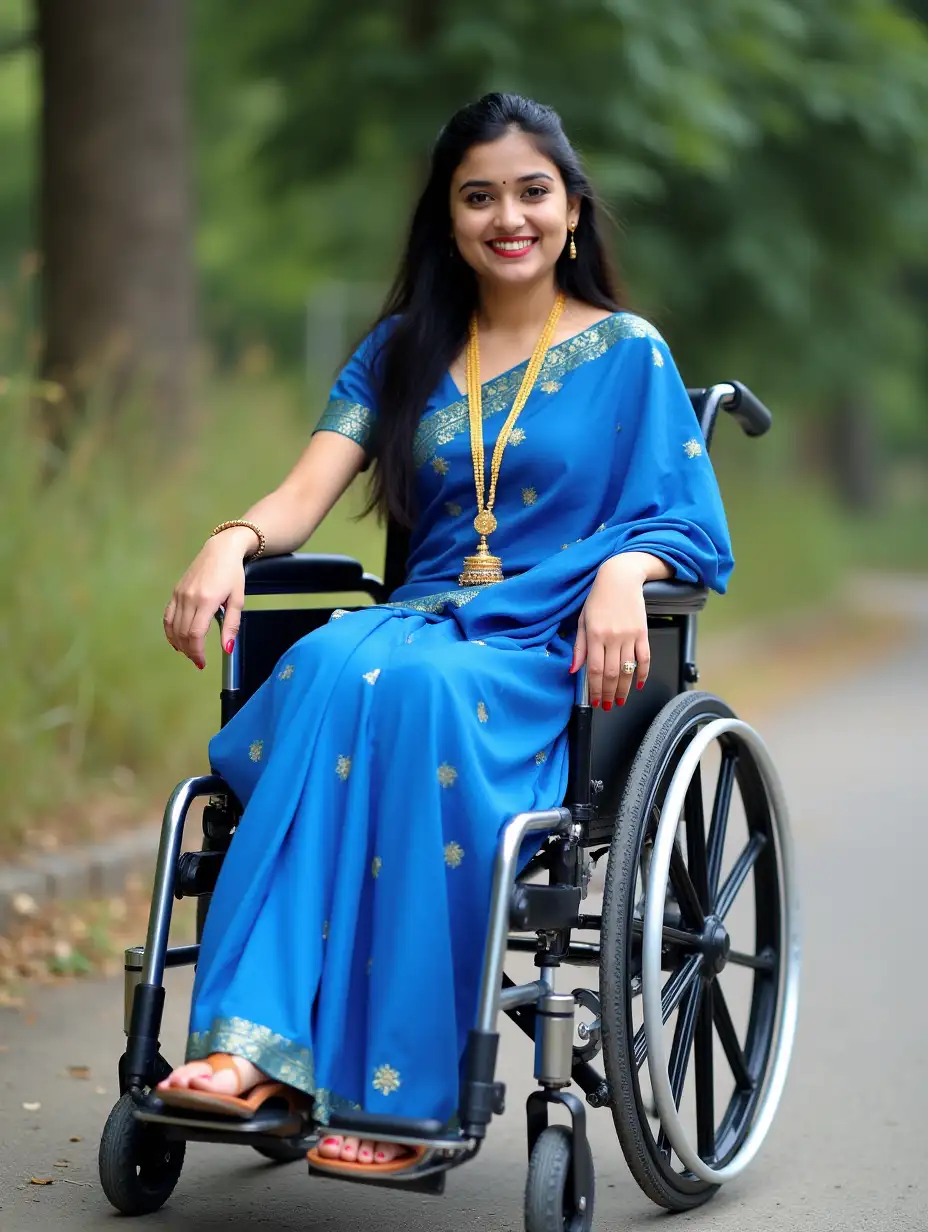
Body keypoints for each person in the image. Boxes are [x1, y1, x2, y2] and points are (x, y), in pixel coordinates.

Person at [157, 92, 733, 1175]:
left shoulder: (628, 352)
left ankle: (401, 1095)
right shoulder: (400, 351)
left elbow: (687, 522)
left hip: (541, 649)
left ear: (569, 209)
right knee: (329, 653)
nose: (506, 216)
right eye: (479, 196)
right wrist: (231, 539)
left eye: (530, 191)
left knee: (408, 687)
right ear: (448, 216)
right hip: (415, 625)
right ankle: (254, 1049)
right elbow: (302, 494)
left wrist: (623, 565)